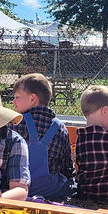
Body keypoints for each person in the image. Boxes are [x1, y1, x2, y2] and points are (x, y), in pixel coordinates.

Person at [10, 73, 74, 202]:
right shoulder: (60, 128)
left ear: (33, 99)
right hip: (52, 196)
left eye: (17, 97)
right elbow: (67, 166)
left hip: (18, 193)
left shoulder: (15, 123)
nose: (13, 102)